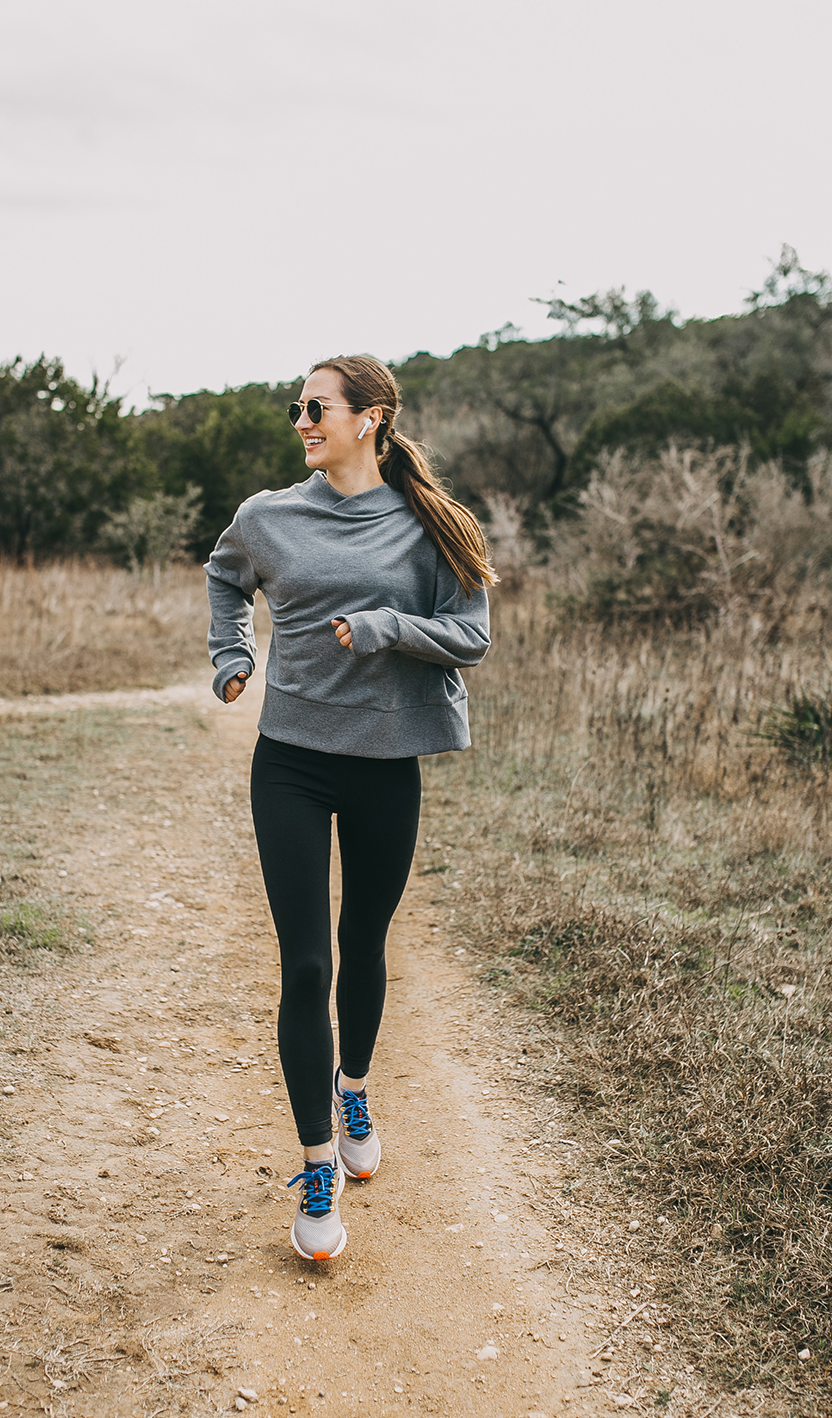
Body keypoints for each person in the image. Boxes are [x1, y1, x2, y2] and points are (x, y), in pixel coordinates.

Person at [205, 353, 496, 1261]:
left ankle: (355, 1084)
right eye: (297, 407)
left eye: (316, 407)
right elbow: (224, 578)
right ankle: (317, 1164)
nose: (301, 419)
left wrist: (385, 628)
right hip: (289, 762)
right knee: (303, 966)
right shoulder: (269, 517)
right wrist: (231, 655)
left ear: (368, 418)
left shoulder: (429, 526)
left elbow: (471, 637)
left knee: (363, 943)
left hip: (384, 766)